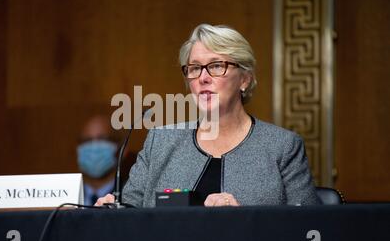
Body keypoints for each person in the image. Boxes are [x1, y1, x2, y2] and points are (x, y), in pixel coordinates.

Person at [96, 23, 321, 207]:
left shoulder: (282, 146)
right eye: (194, 68)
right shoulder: (160, 141)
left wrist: (245, 220)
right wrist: (108, 211)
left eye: (216, 66)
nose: (203, 77)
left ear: (245, 79)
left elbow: (310, 231)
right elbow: (127, 215)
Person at [77, 115, 120, 206]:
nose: (94, 146)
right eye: (87, 140)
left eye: (102, 139)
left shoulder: (132, 197)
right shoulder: (67, 198)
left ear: (121, 149)